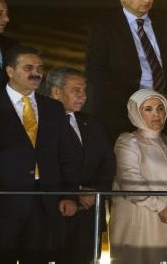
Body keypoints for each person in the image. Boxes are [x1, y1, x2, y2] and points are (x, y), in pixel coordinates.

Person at [0, 46, 80, 264]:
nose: (36, 73)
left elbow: (67, 156)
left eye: (39, 68)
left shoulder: (53, 108)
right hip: (1, 207)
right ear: (10, 70)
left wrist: (69, 195)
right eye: (28, 67)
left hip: (45, 205)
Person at [86, 0, 167, 140]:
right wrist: (135, 103)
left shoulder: (166, 24)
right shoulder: (104, 26)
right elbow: (96, 71)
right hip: (119, 114)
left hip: (165, 112)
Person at [46, 66, 116, 264]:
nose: (83, 96)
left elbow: (107, 162)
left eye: (84, 90)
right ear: (55, 91)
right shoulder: (42, 123)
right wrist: (73, 193)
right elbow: (45, 165)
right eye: (76, 90)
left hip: (89, 211)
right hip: (56, 211)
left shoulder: (92, 123)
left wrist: (93, 191)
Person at [109, 89, 167, 264]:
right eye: (148, 109)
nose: (156, 114)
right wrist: (160, 207)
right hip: (141, 215)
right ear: (135, 112)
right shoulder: (128, 141)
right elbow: (130, 180)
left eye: (160, 108)